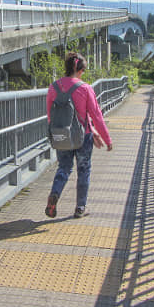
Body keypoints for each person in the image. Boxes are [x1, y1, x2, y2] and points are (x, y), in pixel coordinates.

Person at [45, 52, 113, 219]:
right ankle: (80, 207)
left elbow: (50, 115)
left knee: (64, 168)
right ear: (80, 69)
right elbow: (96, 115)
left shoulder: (53, 87)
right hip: (84, 137)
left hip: (62, 135)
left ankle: (54, 194)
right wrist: (107, 139)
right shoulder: (85, 88)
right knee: (84, 170)